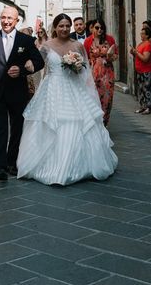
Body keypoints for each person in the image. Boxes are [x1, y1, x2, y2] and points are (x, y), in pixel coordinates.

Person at [17, 13, 118, 185]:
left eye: (67, 26)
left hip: (74, 89)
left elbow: (85, 73)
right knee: (51, 123)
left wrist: (77, 67)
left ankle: (75, 164)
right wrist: (26, 66)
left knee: (79, 123)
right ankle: (51, 165)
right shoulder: (46, 46)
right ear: (55, 27)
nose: (64, 29)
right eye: (61, 26)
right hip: (52, 89)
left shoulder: (78, 45)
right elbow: (37, 63)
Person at [0, 6, 45, 181]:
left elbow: (39, 62)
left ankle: (12, 164)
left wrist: (22, 70)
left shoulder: (26, 40)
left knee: (17, 129)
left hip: (18, 92)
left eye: (9, 19)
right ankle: (0, 167)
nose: (6, 21)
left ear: (16, 21)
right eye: (3, 17)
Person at [84, 19, 117, 126]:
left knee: (107, 98)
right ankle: (95, 122)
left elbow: (116, 56)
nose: (100, 30)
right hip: (93, 73)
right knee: (94, 98)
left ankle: (104, 122)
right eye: (97, 27)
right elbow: (85, 58)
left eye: (101, 27)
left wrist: (110, 56)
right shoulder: (88, 41)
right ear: (92, 28)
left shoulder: (109, 39)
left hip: (107, 73)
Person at [131, 26, 151, 115]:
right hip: (140, 71)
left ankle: (149, 108)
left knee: (147, 90)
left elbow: (145, 58)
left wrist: (136, 52)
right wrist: (134, 53)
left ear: (147, 35)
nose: (141, 35)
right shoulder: (141, 44)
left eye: (142, 33)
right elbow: (138, 56)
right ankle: (142, 107)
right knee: (141, 90)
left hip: (147, 71)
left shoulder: (148, 45)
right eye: (141, 33)